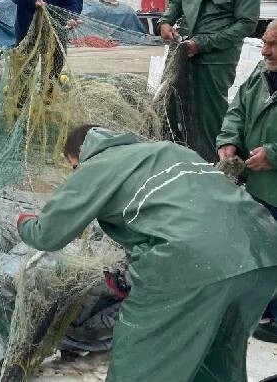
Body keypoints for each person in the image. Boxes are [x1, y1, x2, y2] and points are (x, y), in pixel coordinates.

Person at [17, 125, 277, 381]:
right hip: (263, 247)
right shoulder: (167, 150)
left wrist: (23, 222)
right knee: (218, 355)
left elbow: (47, 234)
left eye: (74, 166)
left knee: (142, 356)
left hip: (191, 260)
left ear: (80, 155)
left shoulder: (96, 164)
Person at [157, 0, 261, 162]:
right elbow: (175, 3)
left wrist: (202, 44)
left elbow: (246, 24)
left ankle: (213, 167)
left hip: (214, 61)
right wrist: (165, 22)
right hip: (180, 54)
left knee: (208, 116)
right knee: (170, 108)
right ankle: (173, 162)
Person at [217, 18, 277, 343]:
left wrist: (274, 154)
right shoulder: (261, 72)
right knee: (259, 246)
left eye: (273, 45)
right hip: (258, 186)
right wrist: (229, 141)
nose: (265, 51)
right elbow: (237, 108)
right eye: (265, 42)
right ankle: (263, 305)